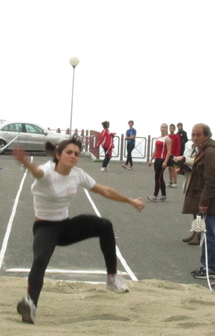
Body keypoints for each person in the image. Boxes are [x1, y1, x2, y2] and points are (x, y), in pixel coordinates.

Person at [12, 139, 144, 324]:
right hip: (45, 227)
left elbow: (104, 190)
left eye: (76, 153)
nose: (73, 156)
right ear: (58, 155)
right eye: (69, 152)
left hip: (66, 226)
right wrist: (26, 162)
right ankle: (30, 305)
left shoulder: (77, 174)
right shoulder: (48, 171)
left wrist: (130, 200)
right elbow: (37, 172)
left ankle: (112, 278)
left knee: (104, 225)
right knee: (40, 260)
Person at [184, 124, 215, 281]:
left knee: (208, 234)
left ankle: (211, 269)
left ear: (206, 135)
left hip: (208, 200)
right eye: (193, 135)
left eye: (198, 135)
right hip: (203, 197)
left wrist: (204, 202)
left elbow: (211, 180)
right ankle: (206, 266)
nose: (195, 138)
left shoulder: (211, 152)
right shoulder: (203, 150)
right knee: (204, 233)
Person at [147, 123, 172, 202]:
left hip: (162, 159)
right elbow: (156, 150)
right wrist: (151, 159)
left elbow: (169, 151)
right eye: (162, 127)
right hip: (157, 159)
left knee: (157, 177)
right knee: (160, 177)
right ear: (160, 128)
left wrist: (165, 161)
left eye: (164, 127)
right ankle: (164, 195)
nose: (163, 128)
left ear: (166, 129)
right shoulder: (158, 138)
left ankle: (155, 195)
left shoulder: (167, 139)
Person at [167, 123, 181, 188]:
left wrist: (176, 155)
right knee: (169, 168)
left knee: (174, 168)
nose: (171, 129)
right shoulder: (168, 136)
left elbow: (178, 146)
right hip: (169, 154)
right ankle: (170, 181)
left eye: (172, 128)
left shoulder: (176, 136)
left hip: (174, 154)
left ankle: (175, 182)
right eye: (170, 128)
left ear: (174, 129)